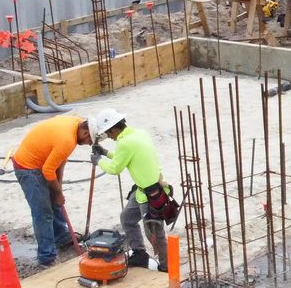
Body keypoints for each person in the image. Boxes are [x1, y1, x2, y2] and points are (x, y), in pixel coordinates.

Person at [90, 108, 176, 270]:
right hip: (142, 190)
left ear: (114, 129)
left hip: (151, 194)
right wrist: (106, 153)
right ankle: (139, 253)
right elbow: (125, 156)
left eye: (109, 134)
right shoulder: (138, 134)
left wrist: (98, 161)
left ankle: (166, 267)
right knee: (127, 218)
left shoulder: (125, 142)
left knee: (155, 234)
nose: (110, 137)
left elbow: (115, 169)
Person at [10, 113, 92, 267]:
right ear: (86, 132)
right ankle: (46, 257)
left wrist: (58, 189)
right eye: (89, 141)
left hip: (42, 162)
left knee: (54, 202)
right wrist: (59, 193)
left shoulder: (76, 124)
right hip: (27, 168)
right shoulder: (67, 139)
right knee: (43, 212)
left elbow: (59, 162)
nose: (88, 144)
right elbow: (48, 170)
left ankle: (61, 237)